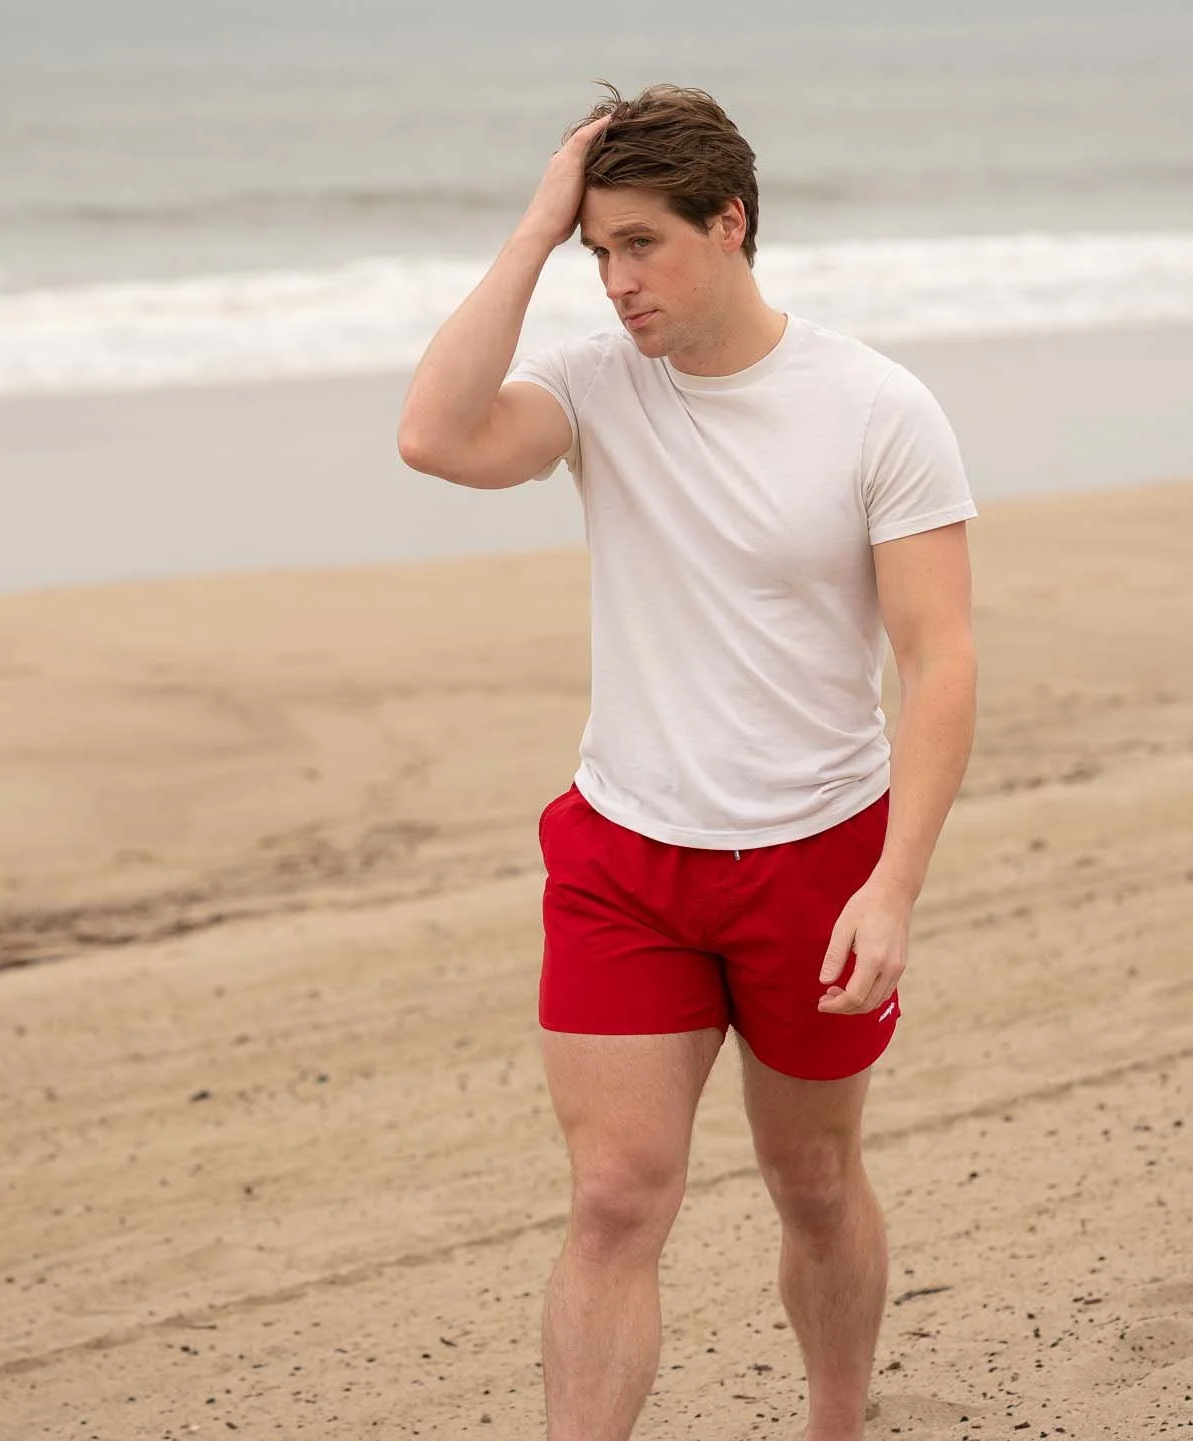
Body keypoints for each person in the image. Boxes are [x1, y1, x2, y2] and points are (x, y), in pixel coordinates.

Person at [396, 83, 977, 1441]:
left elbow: (940, 662)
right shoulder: (597, 390)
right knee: (615, 1195)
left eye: (639, 245)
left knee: (814, 1182)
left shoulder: (877, 407)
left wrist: (891, 889)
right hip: (626, 856)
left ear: (731, 224)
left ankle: (838, 1424)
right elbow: (435, 437)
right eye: (596, 253)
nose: (615, 285)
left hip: (817, 855)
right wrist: (537, 227)